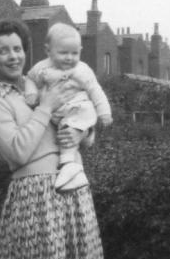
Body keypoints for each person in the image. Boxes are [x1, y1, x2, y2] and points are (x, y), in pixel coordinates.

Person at [0, 20, 107, 259]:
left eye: (18, 48)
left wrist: (83, 132)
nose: (14, 57)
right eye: (3, 51)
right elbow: (17, 152)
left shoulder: (44, 80)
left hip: (74, 187)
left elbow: (80, 119)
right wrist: (45, 107)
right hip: (36, 196)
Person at [27, 23, 113, 192]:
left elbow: (96, 90)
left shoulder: (83, 70)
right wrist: (31, 94)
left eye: (75, 53)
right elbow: (30, 79)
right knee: (64, 132)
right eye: (63, 53)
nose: (69, 58)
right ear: (48, 51)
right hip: (54, 113)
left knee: (79, 117)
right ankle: (70, 168)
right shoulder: (42, 67)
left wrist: (104, 112)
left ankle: (67, 164)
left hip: (77, 110)